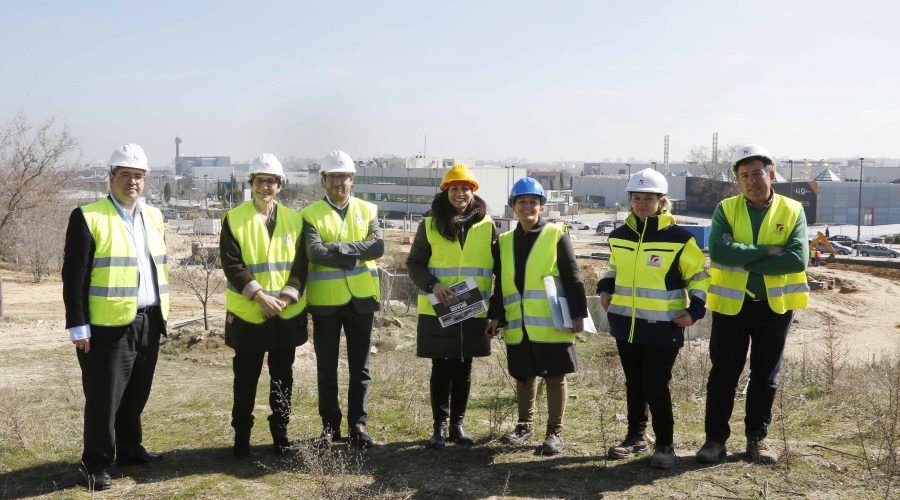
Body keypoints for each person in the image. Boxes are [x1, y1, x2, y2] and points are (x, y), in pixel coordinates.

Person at [62, 144, 169, 491]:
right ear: (110, 178)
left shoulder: (154, 216)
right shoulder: (88, 217)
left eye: (138, 176)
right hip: (108, 327)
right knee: (104, 399)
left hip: (149, 321)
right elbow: (73, 278)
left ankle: (130, 450)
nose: (133, 182)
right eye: (125, 175)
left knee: (136, 395)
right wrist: (79, 327)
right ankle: (96, 463)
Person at [697, 144, 808, 465]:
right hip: (732, 308)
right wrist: (770, 251)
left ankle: (757, 440)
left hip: (774, 308)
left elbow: (797, 258)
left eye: (757, 174)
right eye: (744, 176)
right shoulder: (725, 209)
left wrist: (743, 256)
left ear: (770, 174)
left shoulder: (792, 210)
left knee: (765, 377)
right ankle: (715, 441)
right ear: (738, 180)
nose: (751, 181)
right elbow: (718, 252)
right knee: (722, 377)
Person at [597, 169, 710, 469]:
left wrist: (696, 309)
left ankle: (665, 446)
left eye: (649, 198)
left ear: (663, 202)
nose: (642, 203)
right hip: (624, 322)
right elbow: (613, 267)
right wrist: (605, 286)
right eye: (636, 198)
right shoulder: (619, 236)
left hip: (664, 325)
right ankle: (636, 437)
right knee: (634, 383)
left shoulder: (679, 238)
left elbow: (698, 277)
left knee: (655, 384)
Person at [487, 177, 587, 455]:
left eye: (533, 202)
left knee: (555, 376)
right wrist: (496, 317)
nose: (527, 206)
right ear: (513, 207)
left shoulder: (556, 234)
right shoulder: (505, 241)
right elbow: (501, 285)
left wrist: (578, 314)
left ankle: (555, 432)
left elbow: (572, 276)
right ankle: (524, 426)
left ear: (542, 207)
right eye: (522, 202)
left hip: (552, 321)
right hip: (519, 325)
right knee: (524, 376)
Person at [219, 154, 308, 457]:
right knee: (245, 379)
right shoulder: (233, 219)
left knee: (283, 379)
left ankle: (280, 436)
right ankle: (241, 437)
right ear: (252, 185)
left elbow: (300, 265)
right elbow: (232, 264)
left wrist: (285, 297)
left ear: (280, 186)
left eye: (271, 181)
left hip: (285, 313)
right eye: (259, 181)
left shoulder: (295, 220)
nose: (265, 186)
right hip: (249, 314)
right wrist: (260, 296)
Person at [406, 165, 497, 448]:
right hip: (439, 308)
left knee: (464, 366)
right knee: (441, 367)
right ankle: (440, 426)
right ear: (445, 192)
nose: (460, 193)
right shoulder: (430, 225)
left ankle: (458, 424)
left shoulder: (487, 225)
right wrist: (433, 284)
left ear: (473, 192)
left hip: (473, 308)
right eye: (454, 188)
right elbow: (414, 264)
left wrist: (497, 310)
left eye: (465, 188)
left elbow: (501, 269)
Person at [301, 150, 384, 449]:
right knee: (327, 367)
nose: (339, 182)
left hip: (361, 300)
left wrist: (338, 247)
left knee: (360, 369)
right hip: (326, 302)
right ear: (324, 180)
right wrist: (355, 254)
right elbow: (314, 253)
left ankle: (358, 426)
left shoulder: (368, 210)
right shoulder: (309, 214)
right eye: (333, 176)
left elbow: (377, 249)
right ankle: (329, 427)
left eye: (344, 176)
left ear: (352, 180)